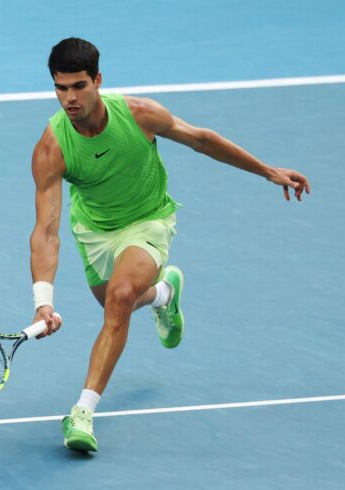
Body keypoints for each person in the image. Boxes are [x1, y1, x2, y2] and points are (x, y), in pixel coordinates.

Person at [29, 37, 310, 452]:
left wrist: (267, 171)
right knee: (113, 301)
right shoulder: (51, 148)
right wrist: (43, 300)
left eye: (79, 86)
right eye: (61, 88)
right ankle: (164, 293)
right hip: (95, 231)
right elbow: (46, 231)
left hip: (148, 220)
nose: (69, 98)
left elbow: (201, 139)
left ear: (98, 81)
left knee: (120, 297)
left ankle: (82, 412)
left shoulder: (140, 114)